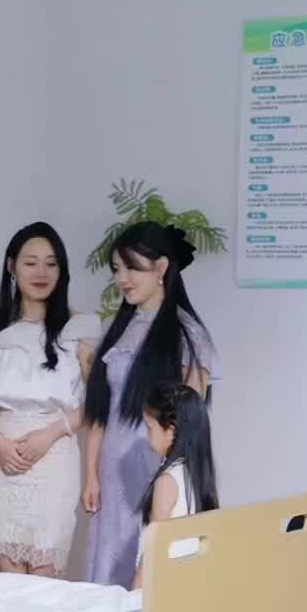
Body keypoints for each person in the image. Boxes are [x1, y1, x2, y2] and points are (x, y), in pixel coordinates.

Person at [83, 221, 219, 588]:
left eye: (132, 268)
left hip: (153, 471)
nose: (122, 278)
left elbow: (189, 417)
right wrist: (91, 472)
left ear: (161, 268)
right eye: (116, 269)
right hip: (111, 473)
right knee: (108, 569)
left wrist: (170, 479)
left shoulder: (188, 334)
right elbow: (100, 410)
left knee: (147, 566)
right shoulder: (117, 330)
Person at [0, 222, 98, 576]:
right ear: (12, 267)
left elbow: (96, 401)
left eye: (51, 263)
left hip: (55, 455)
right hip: (4, 457)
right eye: (31, 263)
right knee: (9, 576)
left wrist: (52, 433)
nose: (41, 272)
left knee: (45, 574)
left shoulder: (78, 328)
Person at [130, 382, 219, 590]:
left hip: (163, 590)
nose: (146, 435)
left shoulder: (167, 482)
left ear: (170, 432)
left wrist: (133, 593)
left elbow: (153, 552)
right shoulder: (196, 477)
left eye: (149, 428)